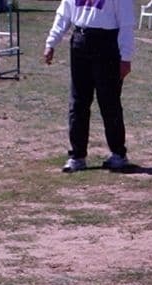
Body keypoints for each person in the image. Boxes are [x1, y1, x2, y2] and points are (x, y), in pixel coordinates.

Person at [43, 0, 135, 172]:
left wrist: (126, 57)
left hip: (107, 44)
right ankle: (77, 156)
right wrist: (51, 43)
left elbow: (127, 23)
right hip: (80, 42)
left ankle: (118, 154)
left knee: (109, 102)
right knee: (78, 102)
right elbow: (64, 14)